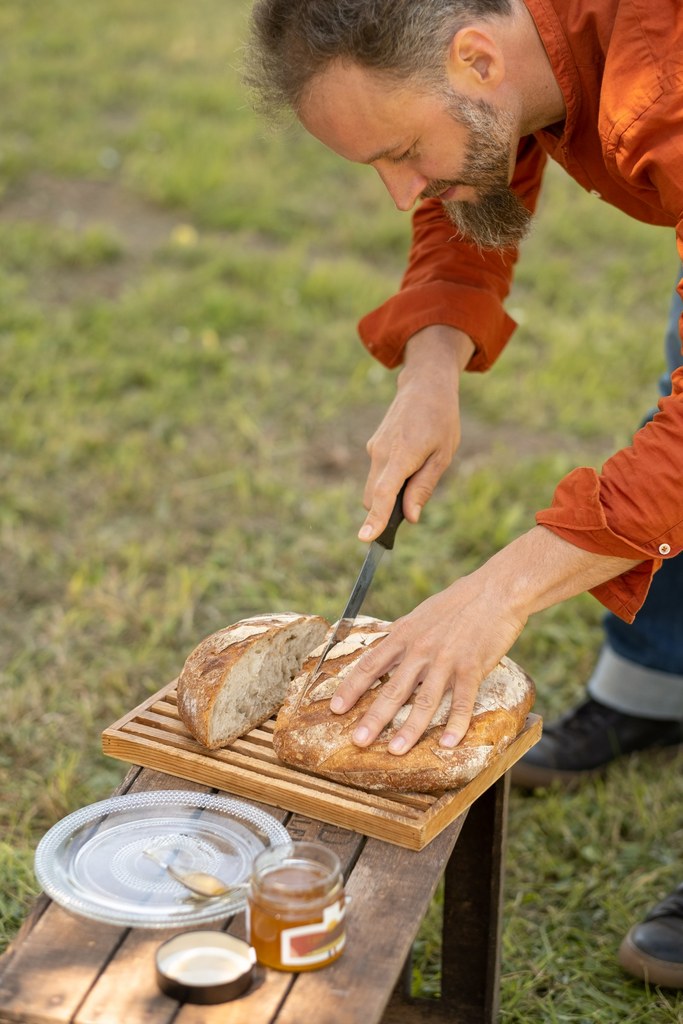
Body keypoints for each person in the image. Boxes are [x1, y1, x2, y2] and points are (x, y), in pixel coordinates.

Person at [245, 0, 683, 988]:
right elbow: (481, 162)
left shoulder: (661, 83)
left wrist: (501, 593)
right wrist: (427, 368)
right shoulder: (506, 59)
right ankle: (654, 689)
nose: (400, 188)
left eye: (399, 149)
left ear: (476, 55)